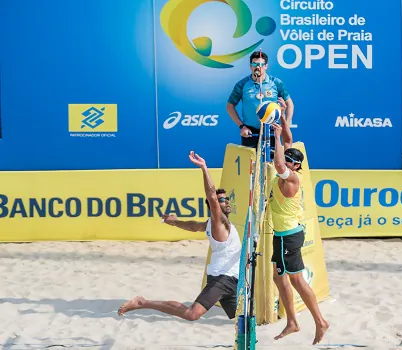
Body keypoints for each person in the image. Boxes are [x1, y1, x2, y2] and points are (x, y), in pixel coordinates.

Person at [117, 151, 242, 321]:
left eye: (226, 199)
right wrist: (204, 168)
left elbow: (192, 226)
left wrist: (174, 222)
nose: (226, 201)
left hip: (231, 280)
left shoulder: (212, 225)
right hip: (222, 278)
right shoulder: (218, 222)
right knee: (192, 314)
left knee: (243, 319)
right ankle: (142, 302)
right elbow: (211, 196)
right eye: (221, 200)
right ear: (213, 207)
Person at [268, 114, 330, 345]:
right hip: (284, 234)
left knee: (296, 280)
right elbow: (289, 139)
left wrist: (274, 136)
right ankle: (292, 322)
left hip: (288, 236)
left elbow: (279, 163)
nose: (286, 161)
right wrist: (283, 118)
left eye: (290, 160)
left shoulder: (292, 179)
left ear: (296, 165)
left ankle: (320, 321)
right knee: (278, 276)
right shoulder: (291, 169)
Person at [226, 50, 295, 149]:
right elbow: (230, 106)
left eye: (261, 64)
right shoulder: (242, 84)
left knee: (273, 162)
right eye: (254, 64)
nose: (258, 67)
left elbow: (290, 104)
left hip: (272, 129)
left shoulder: (275, 82)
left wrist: (286, 126)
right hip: (250, 131)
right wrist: (241, 126)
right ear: (250, 66)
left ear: (266, 66)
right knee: (250, 163)